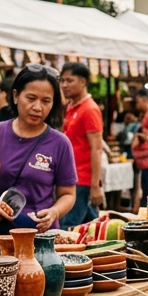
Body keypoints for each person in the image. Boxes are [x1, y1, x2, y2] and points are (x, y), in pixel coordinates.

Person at [0, 64, 77, 240]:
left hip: (41, 239)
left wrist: (54, 212)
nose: (38, 107)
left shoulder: (60, 143)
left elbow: (68, 194)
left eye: (46, 101)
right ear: (15, 96)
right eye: (31, 98)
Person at [59, 62, 103, 226]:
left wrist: (95, 186)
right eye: (62, 80)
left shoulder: (89, 109)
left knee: (68, 226)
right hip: (72, 177)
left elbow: (96, 149)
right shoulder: (72, 107)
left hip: (82, 180)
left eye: (69, 80)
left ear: (83, 82)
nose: (64, 85)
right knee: (89, 226)